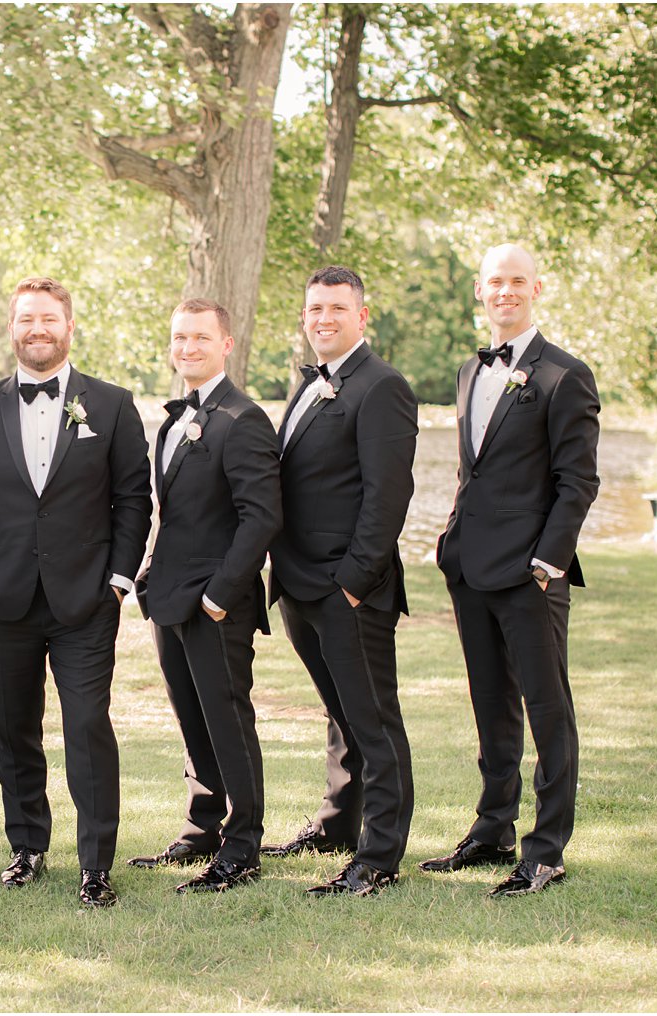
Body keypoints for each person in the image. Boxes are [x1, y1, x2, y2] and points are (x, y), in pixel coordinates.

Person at [0, 277, 152, 907]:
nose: (38, 330)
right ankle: (28, 847)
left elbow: (131, 499)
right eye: (26, 320)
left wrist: (119, 580)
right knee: (13, 728)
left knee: (88, 726)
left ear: (69, 327)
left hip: (85, 600)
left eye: (49, 320)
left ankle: (96, 864)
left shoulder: (113, 405)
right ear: (11, 327)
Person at [421, 243, 600, 896]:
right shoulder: (472, 372)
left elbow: (577, 480)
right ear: (479, 290)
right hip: (469, 568)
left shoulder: (564, 375)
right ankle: (492, 830)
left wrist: (549, 562)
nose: (506, 291)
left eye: (517, 281)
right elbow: (476, 470)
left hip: (531, 574)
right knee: (490, 705)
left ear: (537, 288)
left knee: (548, 711)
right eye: (495, 281)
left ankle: (545, 851)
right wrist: (449, 542)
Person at [263, 266, 418, 897]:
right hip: (300, 583)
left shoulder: (381, 386)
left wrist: (353, 581)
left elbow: (389, 495)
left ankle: (378, 858)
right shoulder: (310, 385)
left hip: (348, 589)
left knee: (373, 721)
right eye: (314, 309)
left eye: (336, 308)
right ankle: (337, 825)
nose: (323, 319)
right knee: (339, 715)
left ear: (362, 314)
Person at [131, 298, 282, 894]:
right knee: (191, 719)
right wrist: (148, 572)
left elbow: (261, 518)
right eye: (179, 337)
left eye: (200, 337)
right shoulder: (173, 421)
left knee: (227, 720)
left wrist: (221, 595)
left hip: (216, 604)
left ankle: (242, 846)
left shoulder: (243, 419)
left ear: (227, 344)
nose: (187, 347)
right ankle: (202, 828)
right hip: (168, 598)